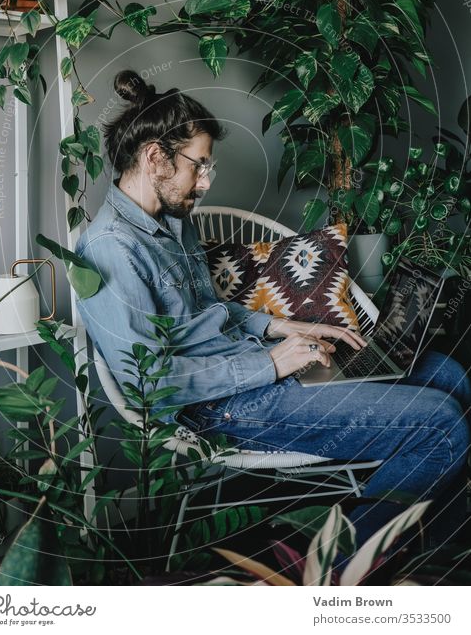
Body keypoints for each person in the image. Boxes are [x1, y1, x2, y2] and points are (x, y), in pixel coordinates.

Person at [75, 69, 470, 554]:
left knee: (450, 377)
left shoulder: (174, 221)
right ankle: (340, 565)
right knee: (443, 426)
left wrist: (290, 325)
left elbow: (208, 313)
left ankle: (413, 544)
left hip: (258, 365)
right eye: (198, 166)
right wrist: (272, 363)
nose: (204, 183)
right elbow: (146, 383)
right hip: (221, 408)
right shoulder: (111, 248)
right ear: (156, 157)